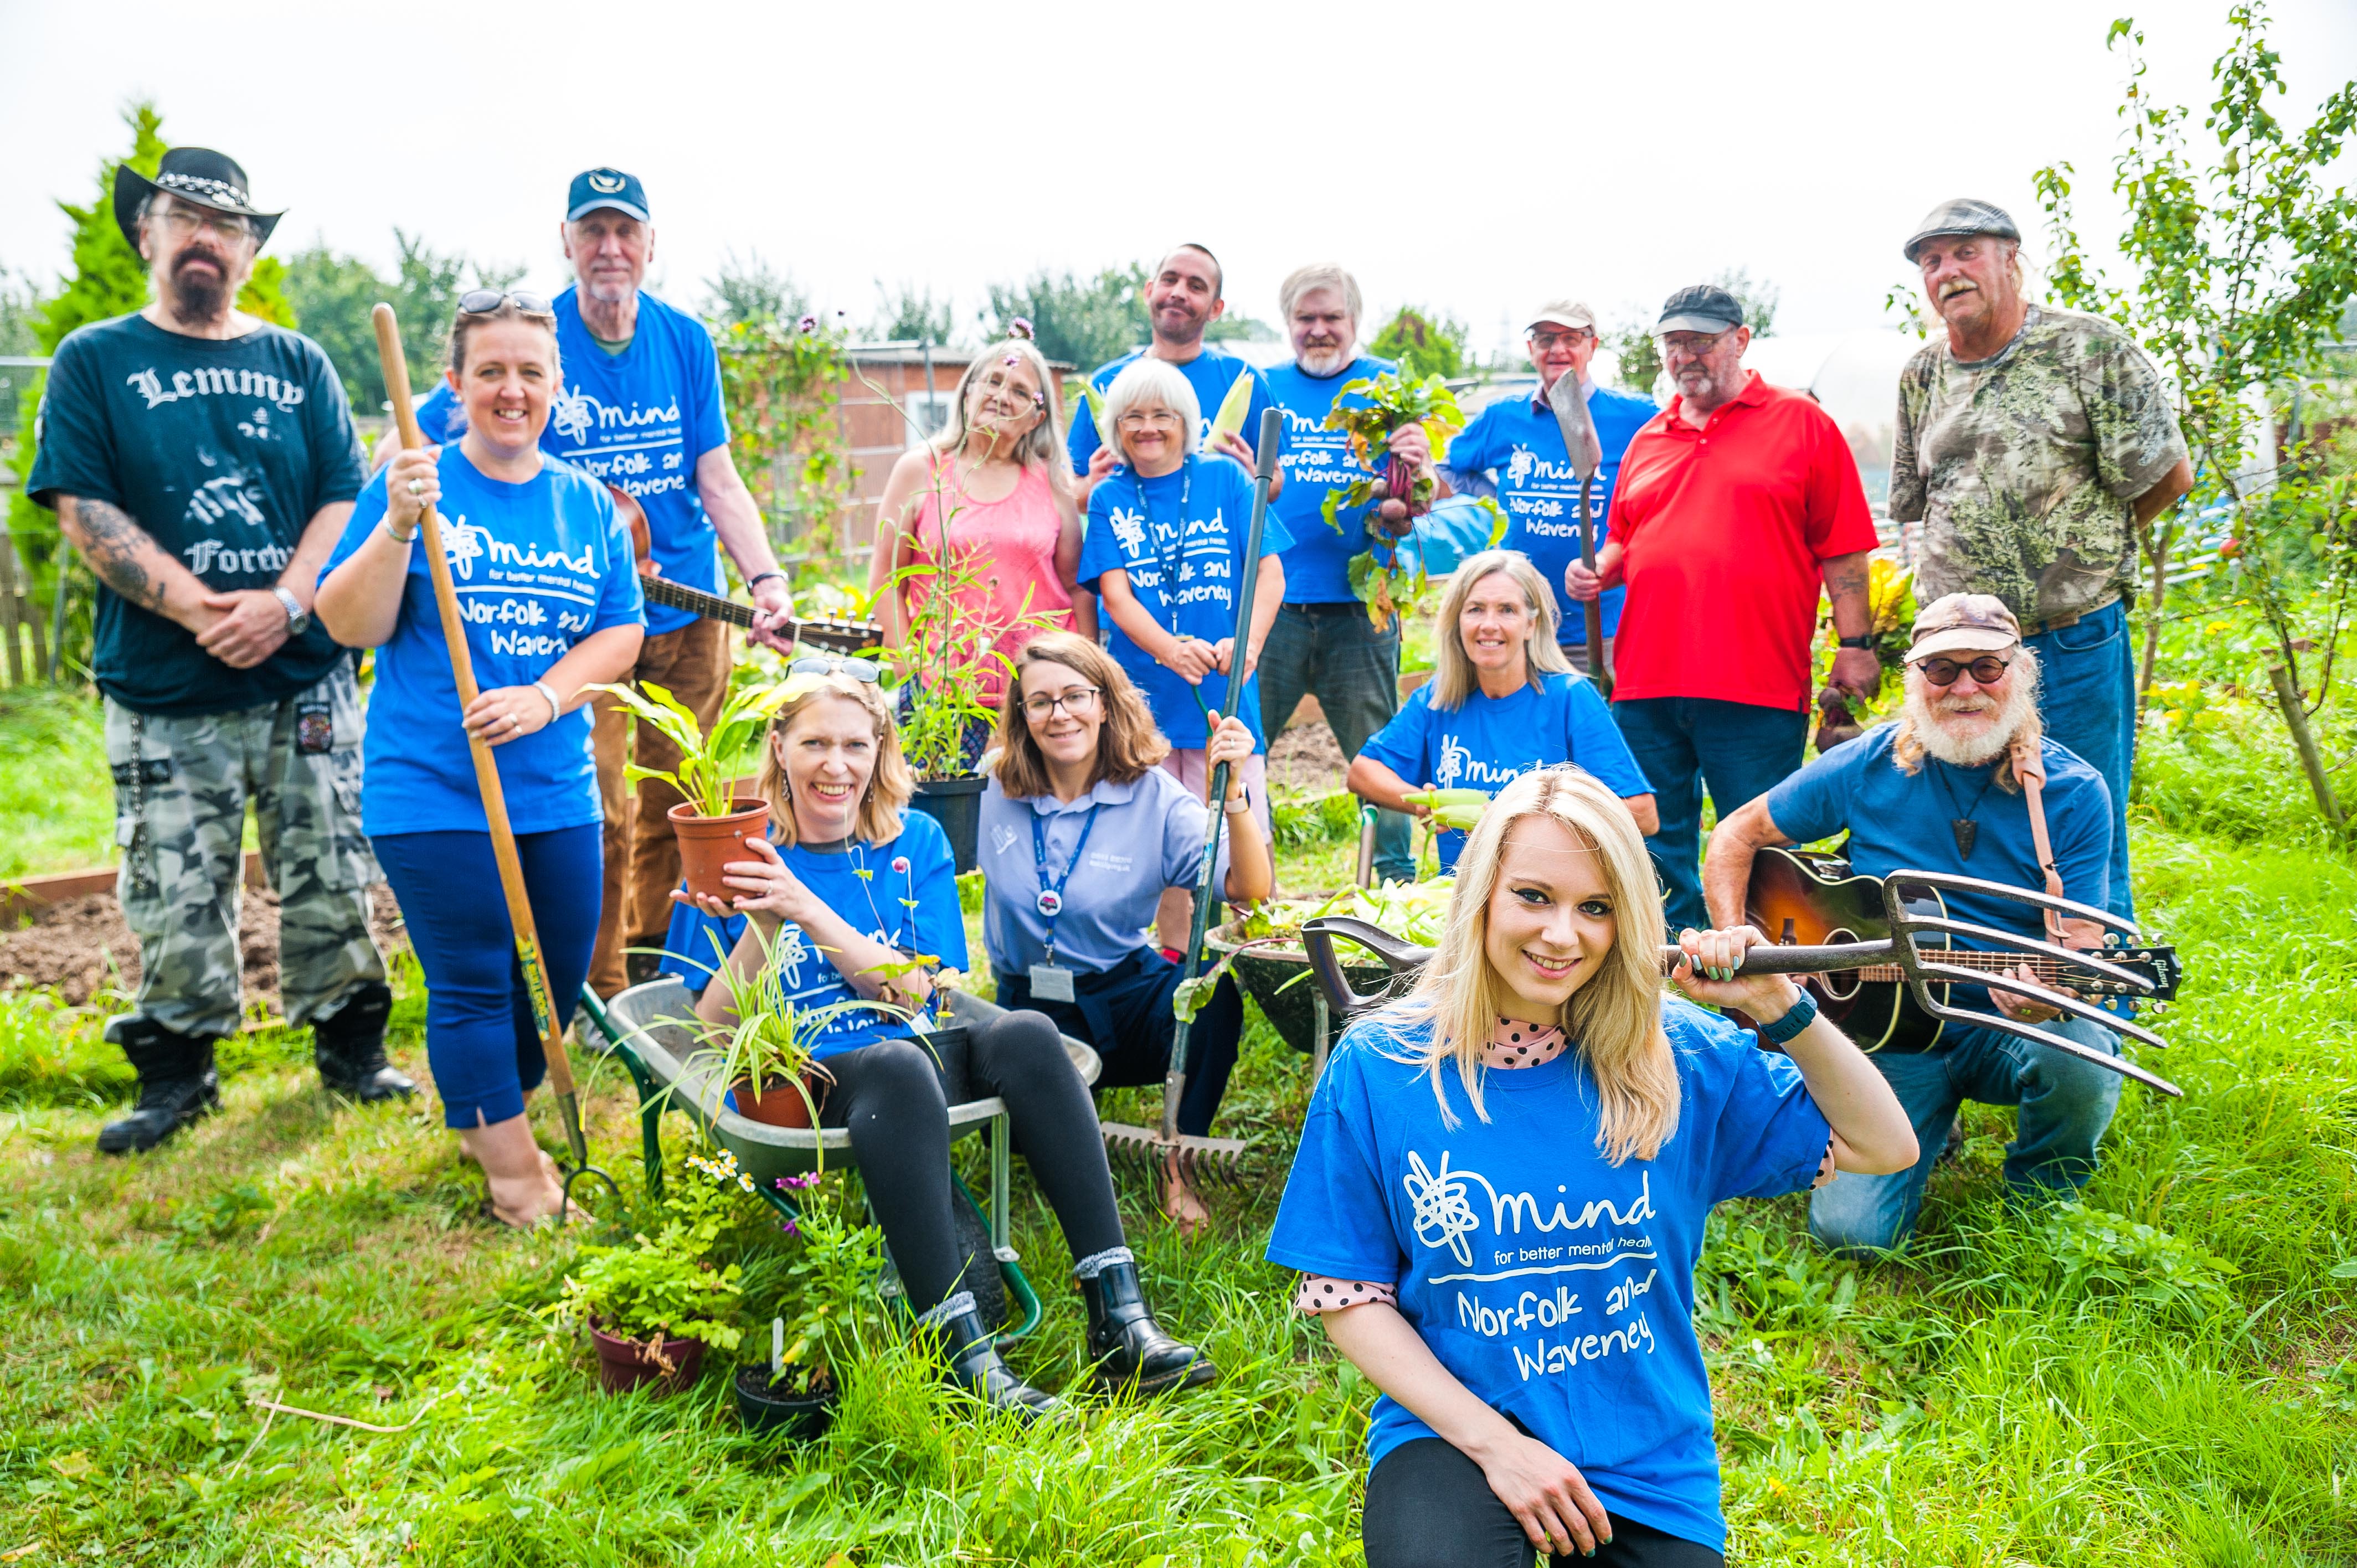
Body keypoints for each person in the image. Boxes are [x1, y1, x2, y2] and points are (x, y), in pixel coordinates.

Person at [1267, 766, 1917, 1567]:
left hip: (1642, 1450)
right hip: (1454, 1431)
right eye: (1533, 896)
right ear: (1482, 896)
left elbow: (1883, 1146)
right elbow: (1346, 1297)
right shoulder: (1384, 1064)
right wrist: (1499, 1447)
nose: (1561, 935)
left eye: (1596, 908)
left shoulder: (1677, 1052)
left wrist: (1779, 1006)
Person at [665, 660, 1217, 1417]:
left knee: (1028, 1033)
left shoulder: (915, 841)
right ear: (779, 748)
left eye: (855, 745)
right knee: (896, 1064)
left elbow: (923, 991)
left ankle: (1120, 1318)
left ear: (879, 751)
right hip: (807, 1082)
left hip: (915, 1060)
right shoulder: (738, 857)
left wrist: (808, 911)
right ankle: (963, 1357)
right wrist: (765, 921)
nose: (835, 765)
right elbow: (713, 1025)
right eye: (815, 744)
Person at [25, 147, 409, 1156]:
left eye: (226, 224)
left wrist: (286, 604)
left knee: (332, 864)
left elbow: (342, 496)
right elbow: (84, 507)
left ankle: (352, 1051)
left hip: (303, 675)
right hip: (164, 686)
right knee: (172, 883)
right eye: (184, 216)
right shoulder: (96, 359)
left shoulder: (299, 362)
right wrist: (204, 613)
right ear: (145, 232)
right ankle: (179, 1075)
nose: (205, 237)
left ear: (248, 250)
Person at [406, 168, 796, 997]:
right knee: (604, 806)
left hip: (687, 612)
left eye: (625, 232)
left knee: (679, 799)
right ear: (567, 241)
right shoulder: (535, 341)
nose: (610, 249)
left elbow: (716, 476)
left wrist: (764, 577)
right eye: (593, 231)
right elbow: (435, 429)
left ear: (651, 245)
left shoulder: (684, 341)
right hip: (582, 622)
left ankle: (663, 959)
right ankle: (600, 983)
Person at [317, 293, 645, 1226]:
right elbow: (347, 622)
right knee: (471, 976)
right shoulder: (415, 486)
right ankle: (514, 1174)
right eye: (491, 371)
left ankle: (487, 1105)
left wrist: (546, 695)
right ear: (454, 384)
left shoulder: (585, 504)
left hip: (554, 787)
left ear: (556, 385)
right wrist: (395, 524)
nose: (512, 390)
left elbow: (620, 630)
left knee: (557, 976)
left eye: (530, 372)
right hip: (432, 787)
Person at [1704, 593, 2123, 1255]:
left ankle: (2043, 1200)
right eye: (1941, 670)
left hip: (2002, 1027)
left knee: (2081, 1052)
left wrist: (2051, 995)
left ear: (2020, 673)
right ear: (1914, 679)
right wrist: (1742, 940)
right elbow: (1736, 835)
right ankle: (1924, 1122)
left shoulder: (2072, 791)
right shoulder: (1868, 763)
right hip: (1883, 1033)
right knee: (1853, 1238)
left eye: (1985, 667)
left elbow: (2080, 949)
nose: (1964, 688)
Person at [1895, 199, 2194, 921]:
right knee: (1968, 824)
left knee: (2081, 814)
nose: (1947, 271)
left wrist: (2084, 552)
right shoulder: (1922, 373)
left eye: (1964, 252)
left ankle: (2099, 977)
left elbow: (2167, 476)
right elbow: (1913, 503)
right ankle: (1988, 972)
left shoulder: (2087, 348)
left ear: (2010, 258)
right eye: (1931, 261)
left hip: (2068, 638)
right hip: (1958, 658)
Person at [1564, 285, 1882, 934]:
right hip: (1646, 684)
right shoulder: (1649, 438)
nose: (1685, 355)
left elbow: (1843, 549)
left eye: (1701, 341)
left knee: (1759, 848)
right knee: (1651, 850)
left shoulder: (1802, 425)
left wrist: (1856, 647)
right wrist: (1598, 568)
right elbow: (1626, 536)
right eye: (1673, 343)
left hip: (1754, 684)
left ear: (1739, 340)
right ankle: (1664, 973)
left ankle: (1768, 979)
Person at [980, 632, 1273, 1235]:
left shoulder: (1152, 796)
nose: (1059, 714)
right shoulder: (991, 790)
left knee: (1213, 995)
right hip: (1027, 1010)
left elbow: (1247, 886)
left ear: (1105, 703)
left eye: (1075, 696)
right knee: (1020, 1146)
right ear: (1021, 714)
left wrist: (1234, 792)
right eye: (1040, 702)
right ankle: (1061, 1119)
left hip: (1122, 992)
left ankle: (1178, 1162)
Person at [1077, 358, 1289, 842]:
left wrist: (1249, 645)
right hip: (1145, 701)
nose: (1147, 428)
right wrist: (1171, 651)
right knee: (1156, 848)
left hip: (1223, 693)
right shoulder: (1108, 496)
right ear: (1115, 427)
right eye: (1132, 416)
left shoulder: (1227, 478)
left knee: (1243, 839)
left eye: (1162, 415)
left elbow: (1270, 572)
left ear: (1186, 422)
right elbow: (1116, 596)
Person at [1259, 263, 1424, 885]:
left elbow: (1423, 495)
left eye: (1332, 317)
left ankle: (1395, 886)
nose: (1319, 329)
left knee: (1379, 757)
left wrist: (1412, 486)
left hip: (1362, 606)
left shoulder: (1386, 389)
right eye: (1306, 318)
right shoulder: (1265, 387)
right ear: (1288, 322)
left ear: (1354, 320)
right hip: (1272, 606)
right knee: (1245, 749)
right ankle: (1241, 882)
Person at [866, 327, 1093, 772]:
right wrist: (911, 671)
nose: (1001, 396)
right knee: (947, 807)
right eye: (992, 381)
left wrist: (1081, 675)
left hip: (1040, 693)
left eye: (1020, 391)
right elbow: (887, 580)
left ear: (1036, 418)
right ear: (968, 392)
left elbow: (1077, 587)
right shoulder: (921, 469)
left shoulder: (1052, 481)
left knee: (1040, 805)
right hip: (944, 694)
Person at [1350, 552, 1655, 873]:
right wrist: (1421, 803)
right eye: (1475, 609)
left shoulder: (1570, 698)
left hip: (1547, 889)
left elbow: (1643, 814)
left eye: (1507, 610)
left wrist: (1522, 821)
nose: (1489, 625)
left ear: (1531, 625)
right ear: (1458, 621)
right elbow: (1363, 771)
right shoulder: (1438, 699)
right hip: (1460, 891)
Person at [1437, 303, 1657, 672]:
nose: (1557, 349)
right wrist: (1494, 497)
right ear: (1531, 349)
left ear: (1593, 346)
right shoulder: (1502, 416)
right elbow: (1448, 466)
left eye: (1571, 338)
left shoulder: (1636, 417)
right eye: (1545, 339)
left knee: (1595, 709)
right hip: (1519, 623)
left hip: (1602, 628)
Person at [1067, 243, 1286, 507]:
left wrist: (1255, 483)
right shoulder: (1105, 383)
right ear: (1149, 291)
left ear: (1216, 309)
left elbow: (1275, 483)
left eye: (1196, 287)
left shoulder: (1246, 381)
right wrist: (1091, 485)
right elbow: (1074, 493)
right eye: (1170, 280)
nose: (1179, 293)